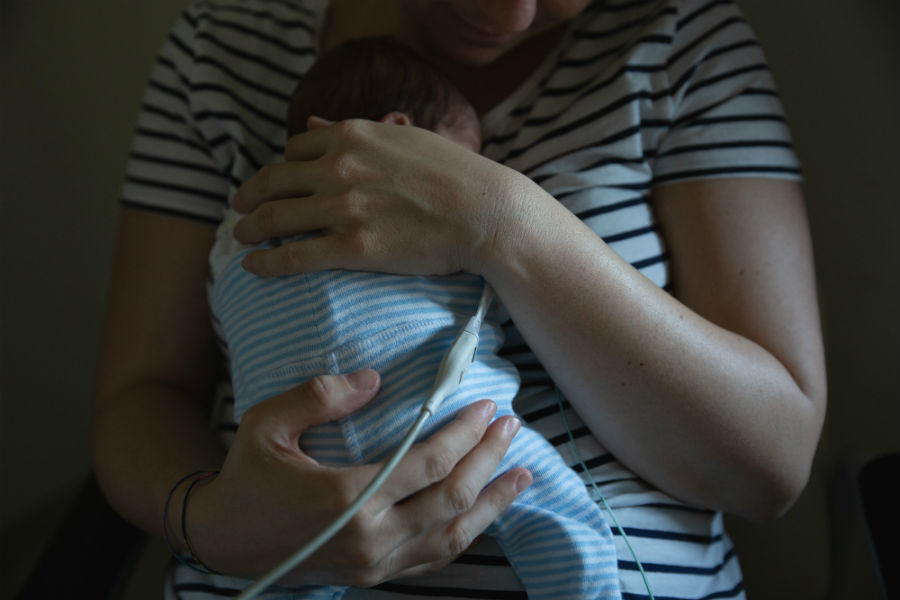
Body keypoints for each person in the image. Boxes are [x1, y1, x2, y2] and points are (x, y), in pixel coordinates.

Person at [92, 1, 827, 599]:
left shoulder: (684, 40)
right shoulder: (221, 44)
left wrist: (502, 222)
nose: (508, 14)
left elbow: (770, 469)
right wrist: (208, 519)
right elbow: (143, 394)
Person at [210, 36, 620, 599]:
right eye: (469, 157)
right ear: (401, 131)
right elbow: (498, 289)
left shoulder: (236, 225)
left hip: (291, 459)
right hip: (438, 417)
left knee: (291, 573)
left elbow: (226, 313)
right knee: (560, 516)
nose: (480, 172)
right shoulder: (411, 217)